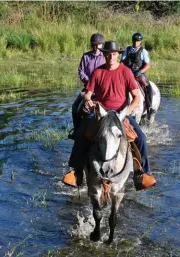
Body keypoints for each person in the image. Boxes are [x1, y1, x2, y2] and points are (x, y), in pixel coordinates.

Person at [62, 40, 156, 191]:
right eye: (108, 54)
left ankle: (143, 174)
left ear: (117, 55)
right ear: (104, 55)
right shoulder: (98, 72)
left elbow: (136, 97)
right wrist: (90, 102)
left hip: (120, 114)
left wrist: (128, 110)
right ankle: (76, 172)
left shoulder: (125, 72)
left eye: (113, 54)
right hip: (101, 113)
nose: (110, 57)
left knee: (141, 138)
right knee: (80, 135)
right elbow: (88, 94)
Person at [69, 33, 106, 139]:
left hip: (101, 88)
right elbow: (81, 71)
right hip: (88, 87)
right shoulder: (86, 56)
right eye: (94, 44)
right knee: (75, 106)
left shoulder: (105, 57)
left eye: (98, 45)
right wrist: (89, 82)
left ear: (101, 45)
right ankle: (76, 131)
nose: (96, 47)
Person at [121, 32, 154, 117]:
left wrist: (141, 71)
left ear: (140, 41)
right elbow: (122, 62)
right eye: (135, 41)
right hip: (127, 73)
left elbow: (148, 65)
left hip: (138, 73)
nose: (136, 43)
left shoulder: (143, 51)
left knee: (147, 85)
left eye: (138, 41)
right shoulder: (127, 50)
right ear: (132, 41)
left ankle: (149, 107)